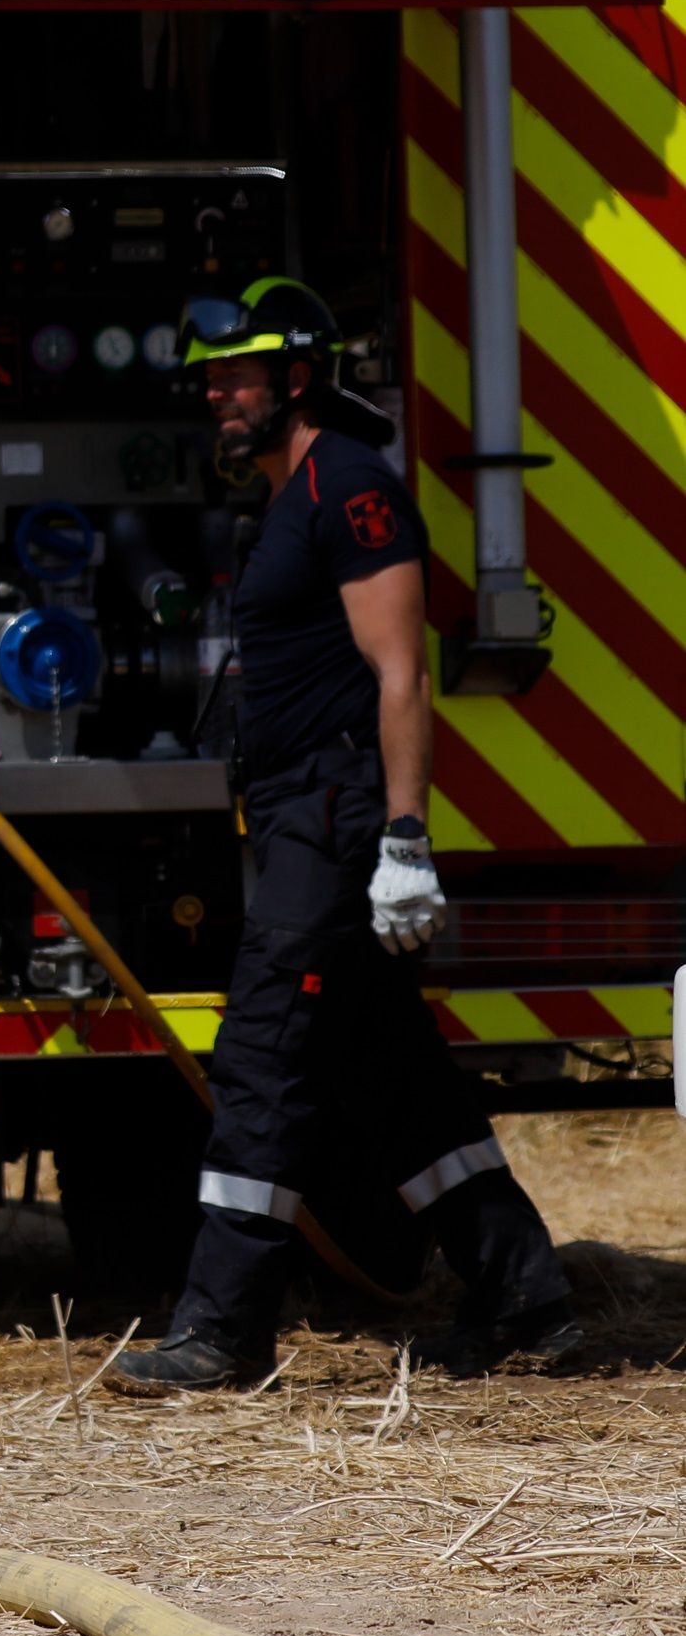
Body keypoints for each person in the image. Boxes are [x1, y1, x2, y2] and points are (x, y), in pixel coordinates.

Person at [106, 279, 575, 1394]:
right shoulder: (282, 497)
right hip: (292, 815)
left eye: (237, 376)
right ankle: (522, 1291)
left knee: (262, 1052)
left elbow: (401, 672)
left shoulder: (350, 487)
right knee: (389, 1070)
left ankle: (220, 1327)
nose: (218, 395)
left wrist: (404, 839)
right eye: (210, 380)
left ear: (296, 376)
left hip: (334, 817)